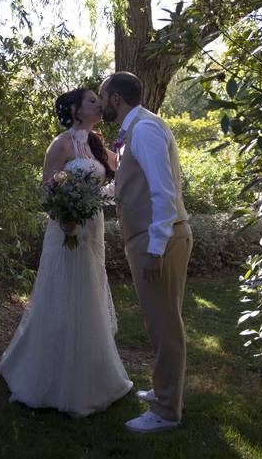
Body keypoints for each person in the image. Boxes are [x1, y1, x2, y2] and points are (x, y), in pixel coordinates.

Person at [0, 87, 133, 417]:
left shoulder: (95, 142)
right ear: (74, 109)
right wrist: (65, 216)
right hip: (67, 229)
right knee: (63, 292)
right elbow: (46, 188)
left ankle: (93, 370)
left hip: (93, 226)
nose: (98, 105)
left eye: (98, 101)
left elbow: (115, 177)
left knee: (90, 289)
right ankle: (52, 374)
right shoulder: (61, 143)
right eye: (91, 101)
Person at [99, 71, 192, 433]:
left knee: (165, 325)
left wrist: (155, 249)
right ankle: (163, 390)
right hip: (151, 238)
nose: (102, 102)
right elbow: (134, 184)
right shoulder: (134, 129)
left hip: (160, 240)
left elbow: (163, 192)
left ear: (116, 98)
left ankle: (167, 411)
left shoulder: (147, 129)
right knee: (160, 321)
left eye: (104, 96)